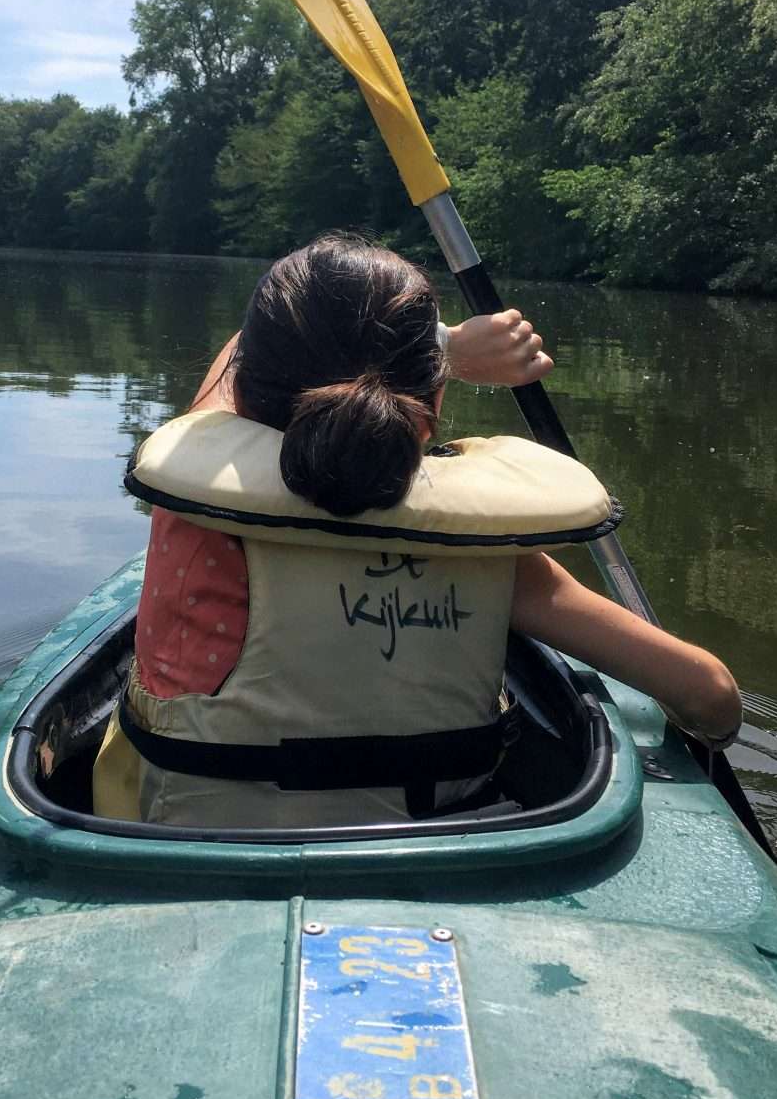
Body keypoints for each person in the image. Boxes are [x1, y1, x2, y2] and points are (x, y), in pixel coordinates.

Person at [94, 233, 741, 827]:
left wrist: (447, 344)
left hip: (189, 838)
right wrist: (439, 348)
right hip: (431, 846)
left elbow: (242, 351)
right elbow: (709, 694)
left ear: (244, 393)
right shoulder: (487, 549)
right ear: (429, 406)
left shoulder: (194, 494)